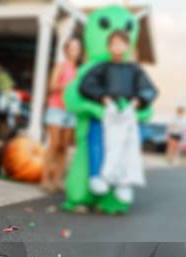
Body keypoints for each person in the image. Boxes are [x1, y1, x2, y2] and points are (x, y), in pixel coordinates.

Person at [79, 30, 157, 203]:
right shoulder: (101, 67)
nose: (118, 46)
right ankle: (97, 176)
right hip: (105, 112)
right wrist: (103, 97)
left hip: (128, 114)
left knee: (128, 146)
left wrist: (138, 101)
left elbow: (149, 89)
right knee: (98, 139)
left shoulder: (135, 69)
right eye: (114, 43)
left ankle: (124, 182)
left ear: (127, 46)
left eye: (121, 43)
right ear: (109, 46)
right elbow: (86, 85)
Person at [41, 37, 81, 193]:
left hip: (71, 112)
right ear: (66, 51)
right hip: (56, 109)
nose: (75, 51)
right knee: (54, 144)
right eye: (72, 48)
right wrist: (68, 85)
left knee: (64, 147)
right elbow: (51, 86)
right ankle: (45, 180)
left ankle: (57, 181)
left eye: (77, 48)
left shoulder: (79, 71)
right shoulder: (60, 66)